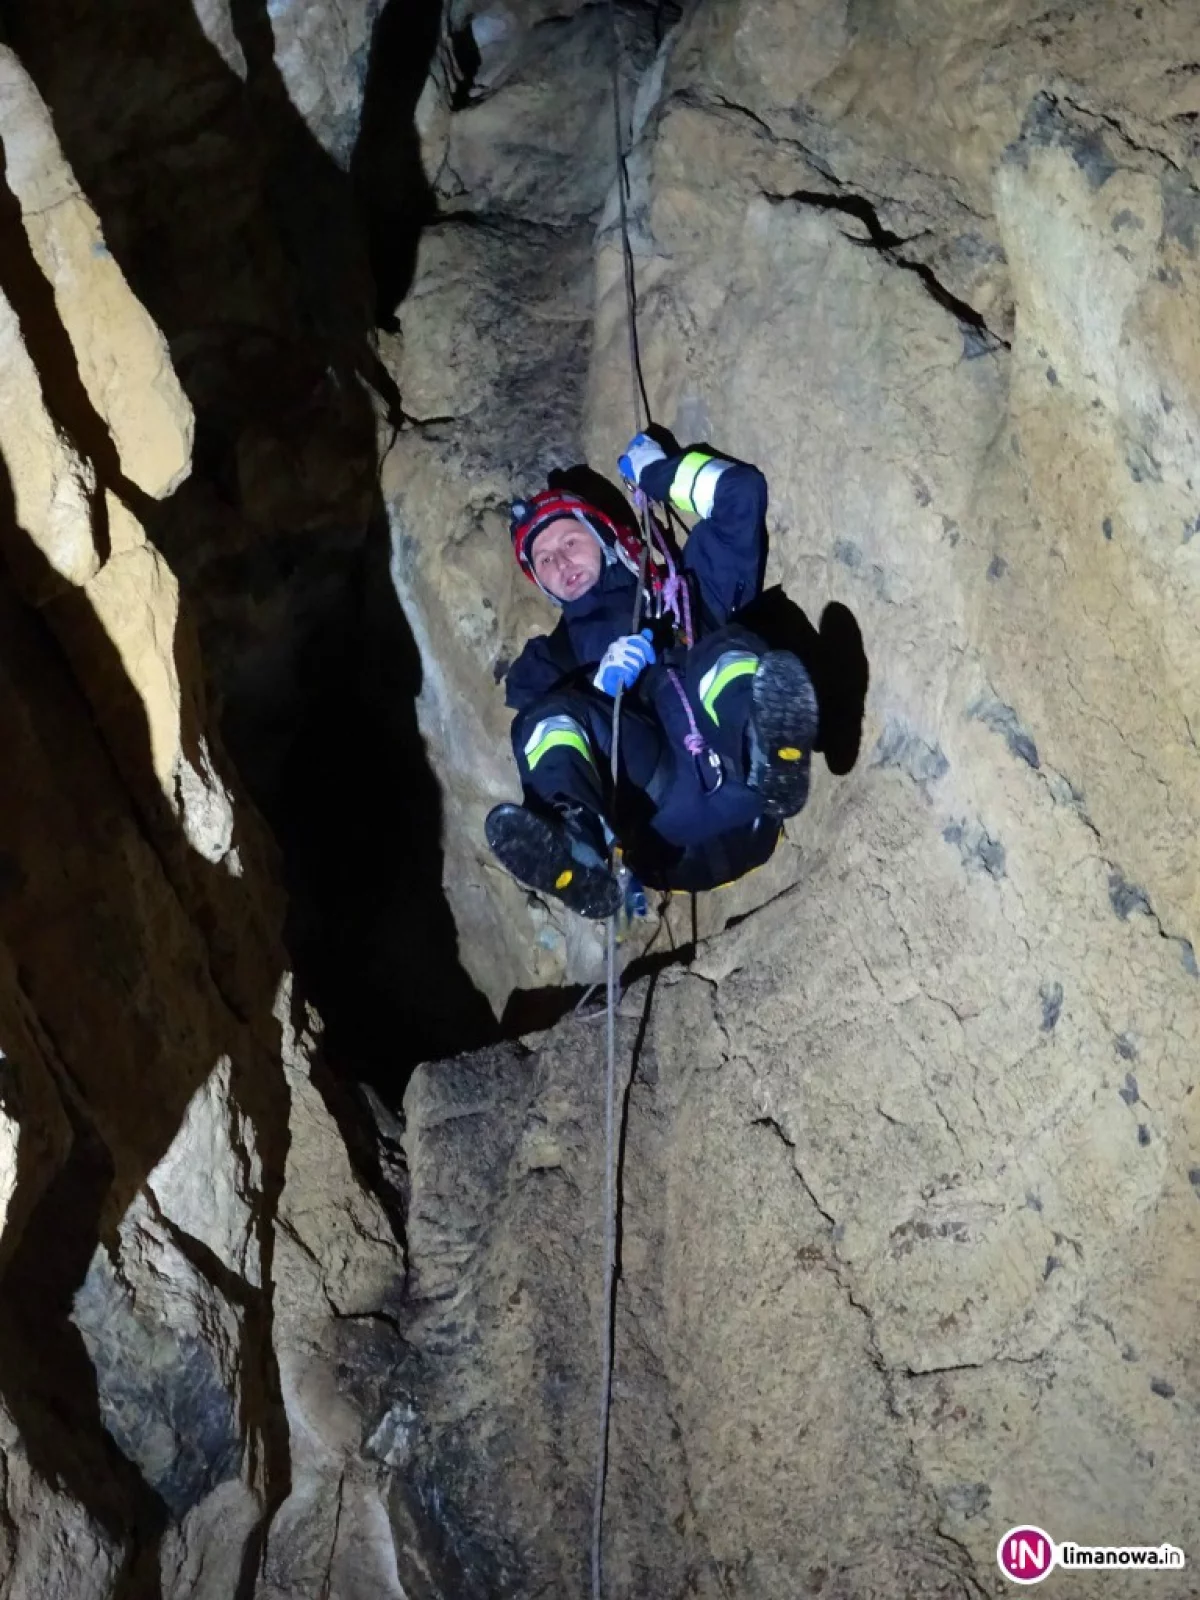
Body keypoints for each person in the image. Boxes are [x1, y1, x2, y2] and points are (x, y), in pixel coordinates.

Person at [485, 432, 819, 918]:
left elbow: (739, 495)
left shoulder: (685, 589)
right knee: (547, 722)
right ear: (541, 583)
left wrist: (658, 475)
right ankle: (580, 845)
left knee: (724, 654)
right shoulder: (547, 665)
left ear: (604, 537)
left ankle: (770, 753)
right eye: (544, 560)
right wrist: (598, 691)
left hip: (743, 775)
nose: (560, 562)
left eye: (570, 541)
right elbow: (544, 732)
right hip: (660, 815)